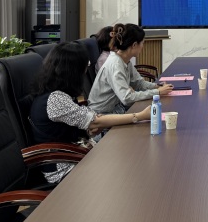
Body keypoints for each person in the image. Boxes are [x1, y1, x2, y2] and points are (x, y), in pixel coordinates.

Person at [29, 42, 152, 183]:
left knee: (130, 155)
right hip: (65, 166)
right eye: (85, 66)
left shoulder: (57, 93)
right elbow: (96, 121)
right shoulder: (55, 99)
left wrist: (88, 131)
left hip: (77, 153)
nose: (85, 71)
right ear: (72, 70)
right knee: (129, 166)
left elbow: (76, 126)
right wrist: (140, 116)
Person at [89, 23, 173, 115]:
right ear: (134, 45)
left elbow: (138, 83)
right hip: (102, 115)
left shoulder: (124, 60)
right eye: (142, 43)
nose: (143, 46)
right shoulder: (115, 64)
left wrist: (157, 86)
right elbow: (127, 98)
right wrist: (157, 92)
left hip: (117, 109)